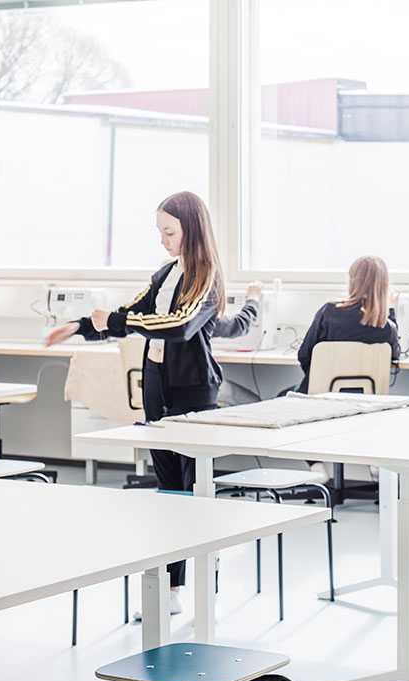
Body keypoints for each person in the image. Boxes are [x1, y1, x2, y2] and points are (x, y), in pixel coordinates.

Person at [46, 190, 259, 615]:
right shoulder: (165, 274)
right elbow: (132, 312)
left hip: (193, 391)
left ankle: (188, 574)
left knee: (186, 487)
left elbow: (178, 326)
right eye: (159, 232)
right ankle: (171, 585)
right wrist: (79, 326)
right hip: (157, 386)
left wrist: (118, 321)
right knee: (169, 489)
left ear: (191, 230)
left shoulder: (209, 276)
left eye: (169, 232)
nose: (162, 240)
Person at [295, 255, 400, 394]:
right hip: (364, 403)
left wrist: (320, 382)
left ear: (352, 281)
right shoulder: (387, 328)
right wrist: (391, 311)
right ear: (384, 286)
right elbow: (394, 357)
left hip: (321, 397)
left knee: (281, 396)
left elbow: (304, 355)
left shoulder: (328, 312)